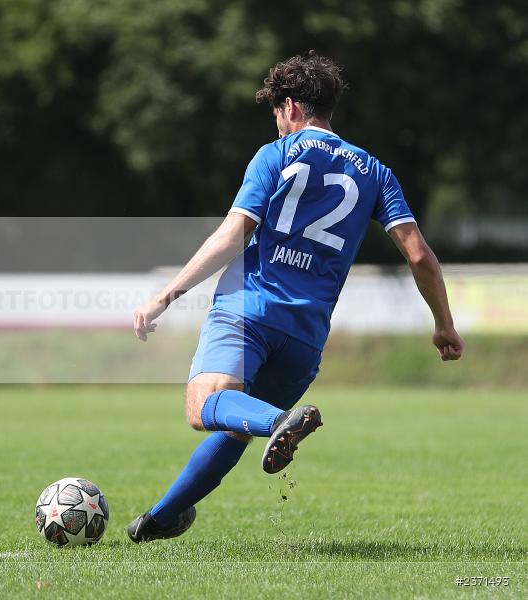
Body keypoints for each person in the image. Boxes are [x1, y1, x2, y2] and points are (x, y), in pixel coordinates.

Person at [127, 51, 464, 543]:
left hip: (251, 308)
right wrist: (443, 323)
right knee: (235, 425)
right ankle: (160, 519)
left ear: (290, 107)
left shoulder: (276, 154)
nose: (277, 125)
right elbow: (420, 257)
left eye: (276, 115)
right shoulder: (376, 173)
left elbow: (233, 235)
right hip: (306, 338)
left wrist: (166, 295)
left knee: (206, 407)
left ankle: (279, 422)